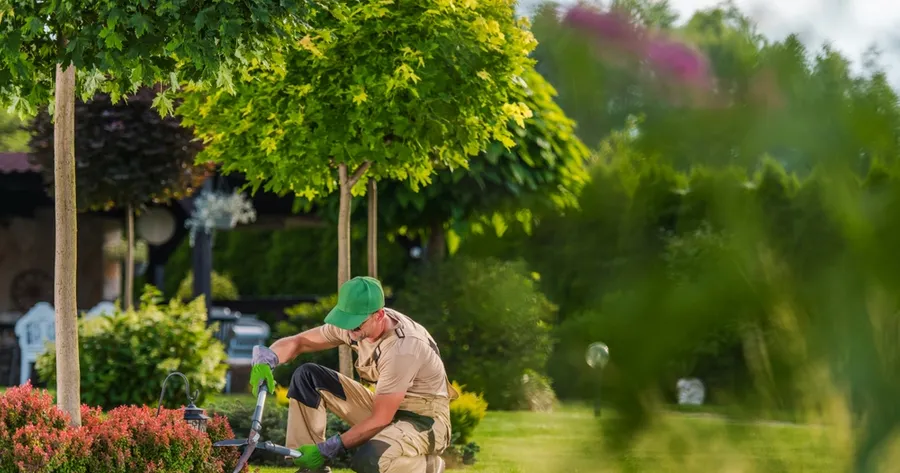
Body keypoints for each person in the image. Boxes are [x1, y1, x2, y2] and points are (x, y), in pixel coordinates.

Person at [249, 276, 458, 473]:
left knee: (369, 460)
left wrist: (327, 448)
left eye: (356, 324)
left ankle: (428, 466)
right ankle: (310, 468)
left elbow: (380, 418)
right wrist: (267, 359)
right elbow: (299, 342)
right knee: (308, 377)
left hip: (424, 420)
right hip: (386, 407)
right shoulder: (355, 325)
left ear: (379, 315)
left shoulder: (404, 348)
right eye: (345, 321)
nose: (349, 331)